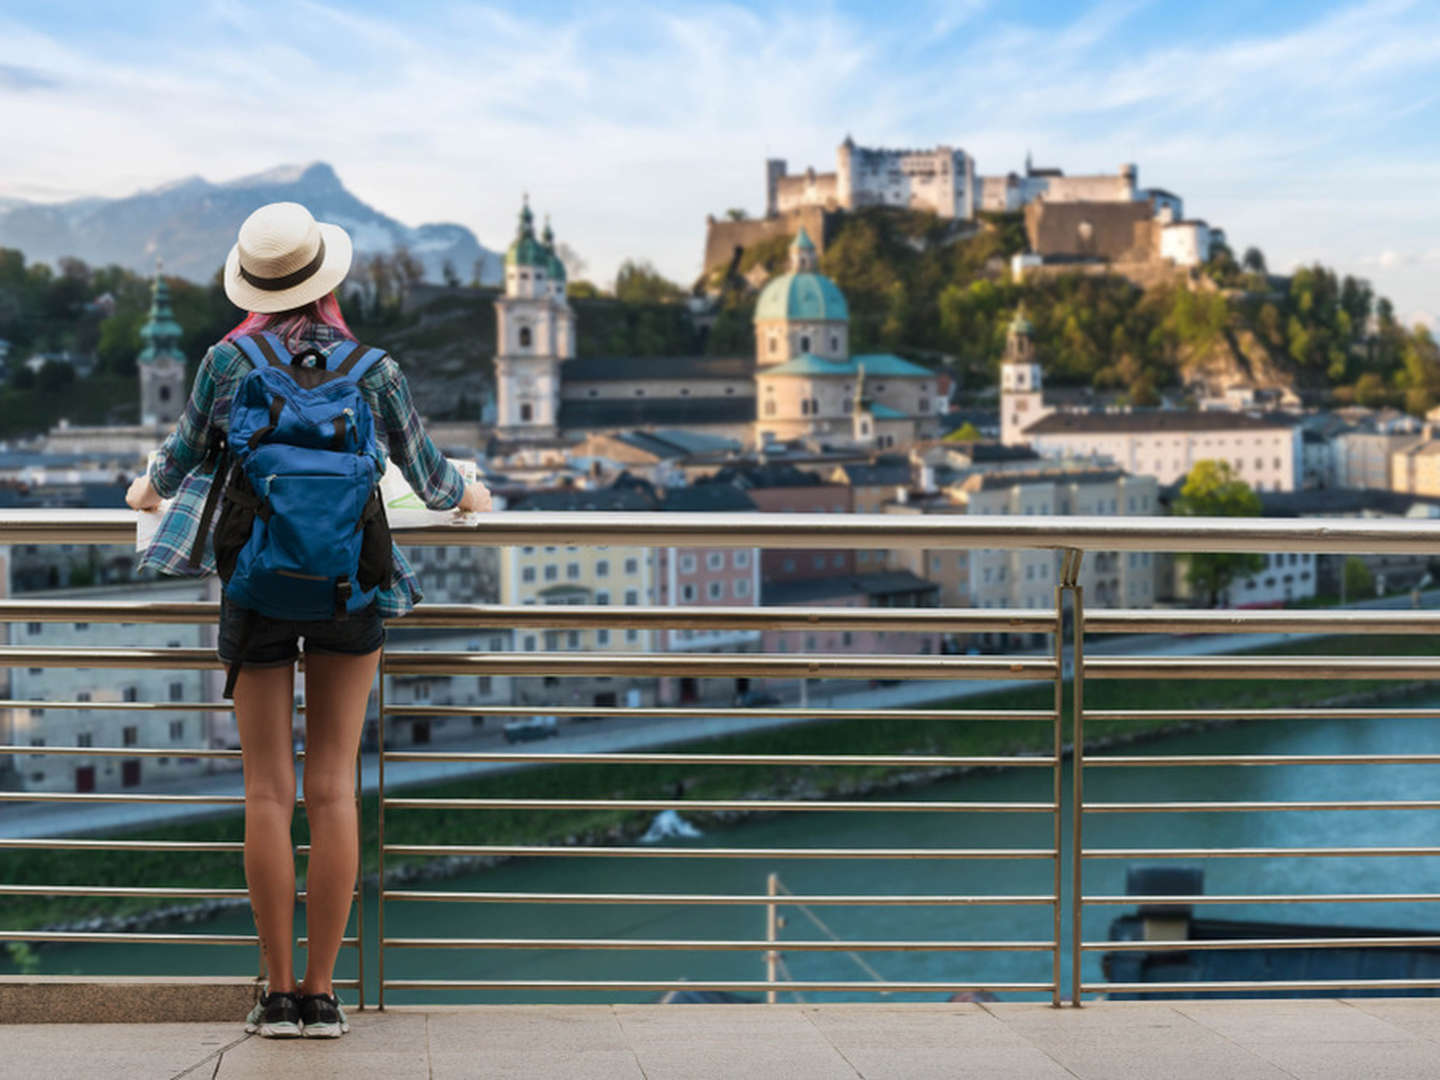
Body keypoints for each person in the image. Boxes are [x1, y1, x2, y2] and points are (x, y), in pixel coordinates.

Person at [127, 202, 491, 1038]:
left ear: (253, 283)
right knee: (332, 791)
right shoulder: (375, 368)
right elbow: (434, 482)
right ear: (326, 278)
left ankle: (277, 993)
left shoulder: (228, 360)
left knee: (267, 791)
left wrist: (143, 493)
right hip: (349, 588)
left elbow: (177, 463)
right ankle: (324, 997)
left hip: (256, 587)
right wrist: (473, 495)